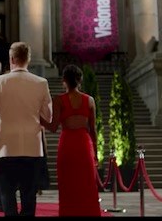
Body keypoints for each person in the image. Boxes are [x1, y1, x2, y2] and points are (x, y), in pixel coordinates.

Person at [0, 41, 52, 217]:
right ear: (28, 59)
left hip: (6, 147)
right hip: (33, 148)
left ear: (11, 58)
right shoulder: (41, 83)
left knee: (7, 194)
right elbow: (48, 117)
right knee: (29, 197)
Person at [41, 64, 100, 216]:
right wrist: (97, 153)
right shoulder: (90, 100)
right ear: (80, 80)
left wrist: (39, 119)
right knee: (86, 184)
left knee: (68, 184)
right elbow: (93, 130)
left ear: (64, 81)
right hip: (84, 144)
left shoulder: (59, 100)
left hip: (67, 144)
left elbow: (53, 127)